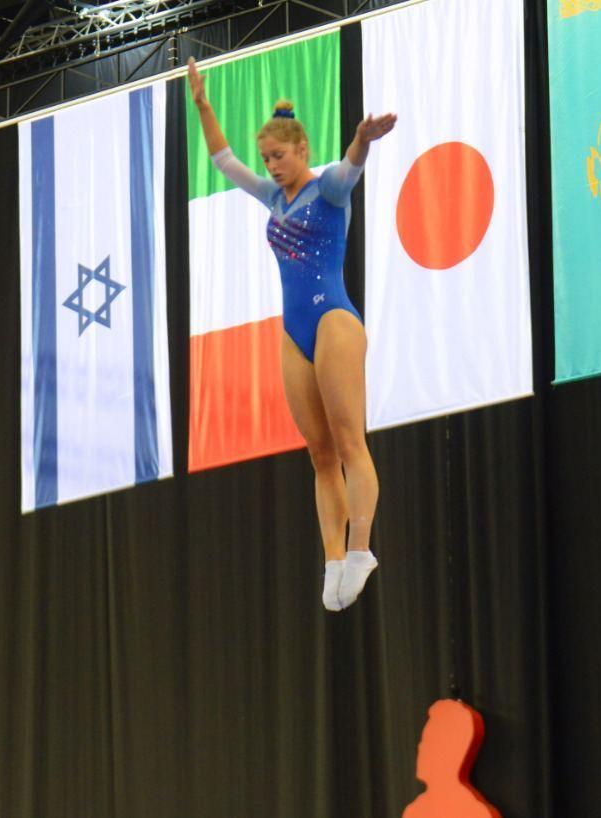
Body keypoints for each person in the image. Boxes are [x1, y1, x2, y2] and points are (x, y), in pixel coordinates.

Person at [187, 57, 397, 611]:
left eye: (278, 157)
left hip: (334, 319)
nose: (271, 167)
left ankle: (361, 550)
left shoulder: (327, 186)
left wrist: (361, 138)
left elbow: (352, 166)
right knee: (319, 453)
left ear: (301, 149)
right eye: (268, 159)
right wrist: (204, 106)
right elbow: (223, 160)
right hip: (295, 329)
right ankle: (332, 559)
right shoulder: (272, 198)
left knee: (351, 443)